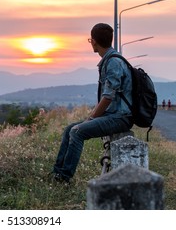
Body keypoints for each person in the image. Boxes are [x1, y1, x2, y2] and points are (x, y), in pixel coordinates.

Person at [51, 23, 133, 184]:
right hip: (114, 115)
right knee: (69, 129)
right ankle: (57, 173)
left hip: (121, 118)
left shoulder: (113, 62)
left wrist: (91, 118)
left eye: (90, 40)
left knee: (77, 131)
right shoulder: (110, 59)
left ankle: (64, 178)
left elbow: (108, 97)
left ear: (93, 41)